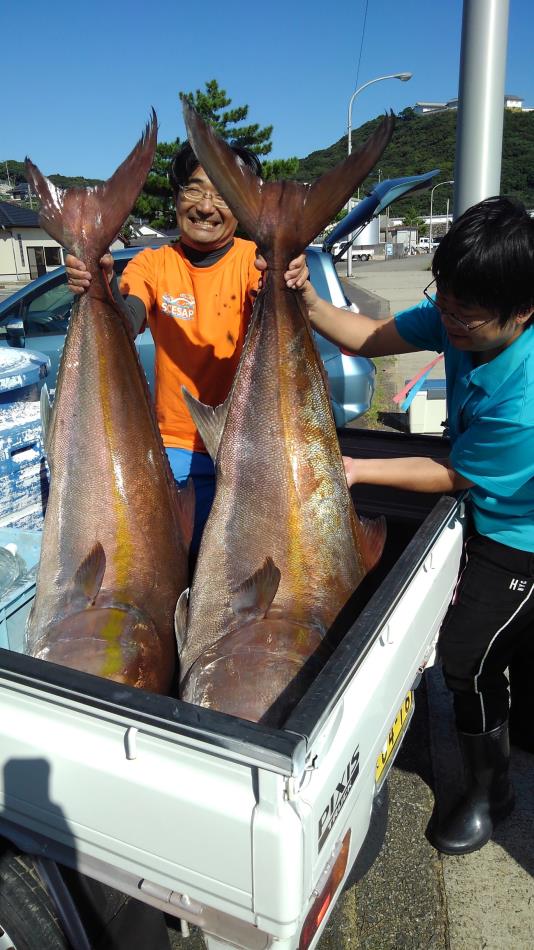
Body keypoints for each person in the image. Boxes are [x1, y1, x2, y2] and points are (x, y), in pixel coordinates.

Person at [299, 195, 534, 856]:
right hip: (496, 495)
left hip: (521, 534)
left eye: (468, 313)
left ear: (523, 311)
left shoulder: (525, 401)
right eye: (446, 300)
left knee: (468, 655)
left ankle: (492, 792)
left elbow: (457, 474)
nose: (449, 319)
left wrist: (358, 471)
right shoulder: (466, 312)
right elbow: (373, 338)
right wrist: (308, 301)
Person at [66, 141, 307, 558]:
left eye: (224, 195)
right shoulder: (151, 264)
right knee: (171, 563)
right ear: (176, 196)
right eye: (195, 190)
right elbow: (130, 317)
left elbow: (284, 327)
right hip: (175, 451)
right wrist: (99, 289)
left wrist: (293, 284)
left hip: (249, 444)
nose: (207, 207)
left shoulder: (256, 263)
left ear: (243, 206)